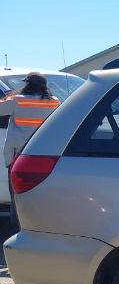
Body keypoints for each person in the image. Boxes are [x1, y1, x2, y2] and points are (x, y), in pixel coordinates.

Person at [0, 72, 60, 231]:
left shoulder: (17, 101)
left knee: (18, 199)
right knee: (41, 195)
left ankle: (19, 230)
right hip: (45, 156)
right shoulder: (55, 102)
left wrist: (9, 96)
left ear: (27, 84)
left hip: (18, 156)